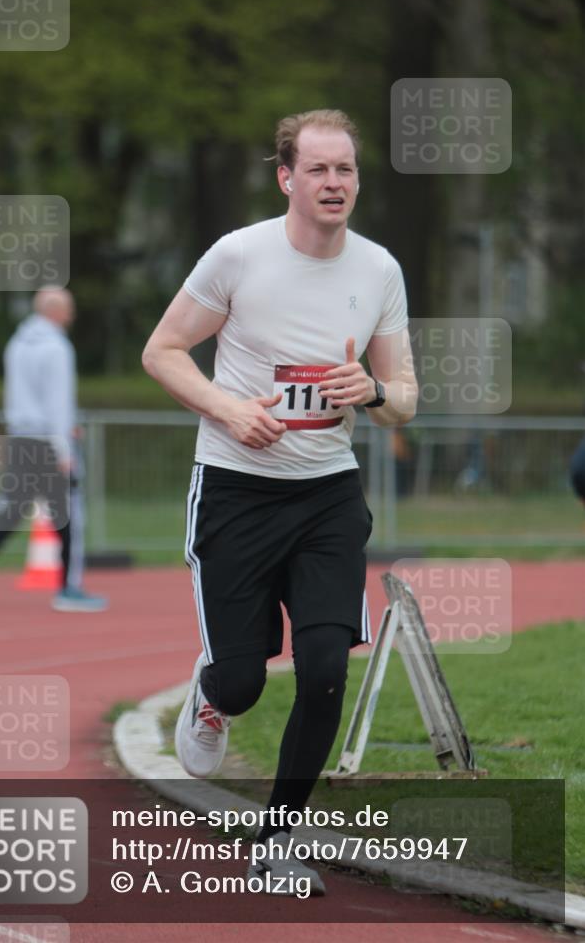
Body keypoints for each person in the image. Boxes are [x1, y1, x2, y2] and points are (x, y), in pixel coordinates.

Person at [142, 109, 418, 895]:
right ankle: (211, 692)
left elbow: (404, 399)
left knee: (324, 669)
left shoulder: (378, 270)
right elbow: (162, 351)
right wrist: (227, 409)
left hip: (327, 495)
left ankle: (275, 839)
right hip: (235, 490)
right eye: (318, 169)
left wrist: (371, 390)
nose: (334, 183)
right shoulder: (239, 256)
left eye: (346, 169)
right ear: (286, 178)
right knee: (243, 682)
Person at [0, 287, 107, 613]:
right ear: (54, 310)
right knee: (69, 512)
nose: (72, 314)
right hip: (48, 440)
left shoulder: (17, 343)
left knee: (13, 508)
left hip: (21, 437)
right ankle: (69, 587)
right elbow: (58, 402)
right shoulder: (57, 347)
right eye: (68, 308)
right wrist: (64, 450)